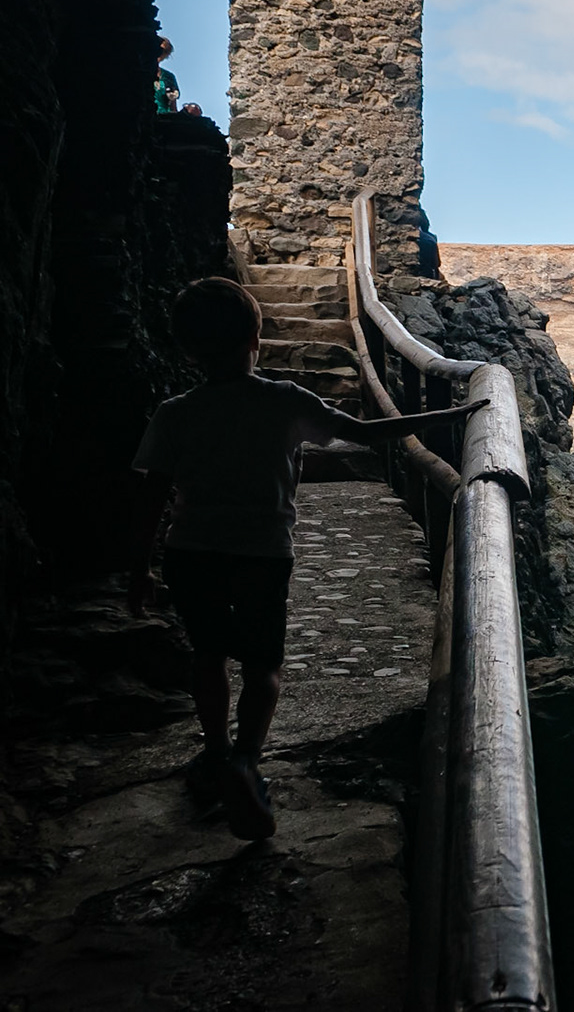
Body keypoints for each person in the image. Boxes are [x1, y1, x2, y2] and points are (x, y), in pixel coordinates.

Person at [129, 277, 487, 840]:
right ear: (256, 336)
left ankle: (216, 753)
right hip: (262, 552)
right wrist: (443, 418)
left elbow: (153, 494)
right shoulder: (284, 401)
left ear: (185, 346)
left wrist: (138, 572)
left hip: (190, 552)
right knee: (263, 665)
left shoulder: (175, 412)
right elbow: (366, 434)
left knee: (208, 655)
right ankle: (247, 760)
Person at [154, 36, 180, 114]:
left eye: (165, 52)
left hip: (163, 118)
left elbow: (173, 105)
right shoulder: (139, 72)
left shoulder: (169, 77)